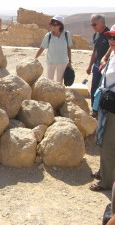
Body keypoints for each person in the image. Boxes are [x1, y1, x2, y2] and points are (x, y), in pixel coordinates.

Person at [89, 24, 115, 192]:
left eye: (114, 38)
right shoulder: (113, 51)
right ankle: (104, 171)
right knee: (103, 138)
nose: (111, 40)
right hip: (107, 103)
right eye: (110, 37)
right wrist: (105, 60)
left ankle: (107, 182)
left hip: (113, 105)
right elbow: (106, 56)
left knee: (107, 144)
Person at [35, 15, 73, 84]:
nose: (53, 27)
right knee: (49, 82)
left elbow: (69, 48)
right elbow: (42, 48)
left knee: (59, 82)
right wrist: (35, 58)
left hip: (63, 62)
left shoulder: (67, 35)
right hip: (51, 62)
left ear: (60, 25)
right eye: (52, 25)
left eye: (55, 25)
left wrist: (69, 62)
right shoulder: (48, 35)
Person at [86, 14, 110, 116]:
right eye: (92, 24)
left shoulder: (110, 35)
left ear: (102, 22)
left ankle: (103, 110)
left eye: (94, 24)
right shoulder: (96, 35)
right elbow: (94, 52)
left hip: (107, 68)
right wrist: (89, 66)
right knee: (94, 88)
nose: (93, 26)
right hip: (96, 67)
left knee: (104, 89)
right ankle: (94, 109)